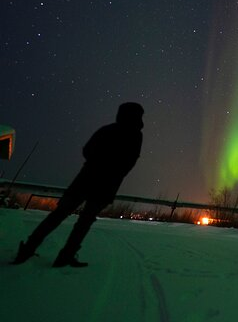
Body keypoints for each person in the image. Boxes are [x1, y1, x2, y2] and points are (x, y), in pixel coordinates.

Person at [13, 102, 144, 268]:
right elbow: (130, 162)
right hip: (106, 185)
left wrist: (95, 165)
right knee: (85, 221)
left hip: (84, 180)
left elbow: (87, 150)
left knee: (58, 215)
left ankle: (28, 249)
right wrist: (114, 173)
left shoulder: (107, 130)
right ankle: (66, 255)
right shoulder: (135, 136)